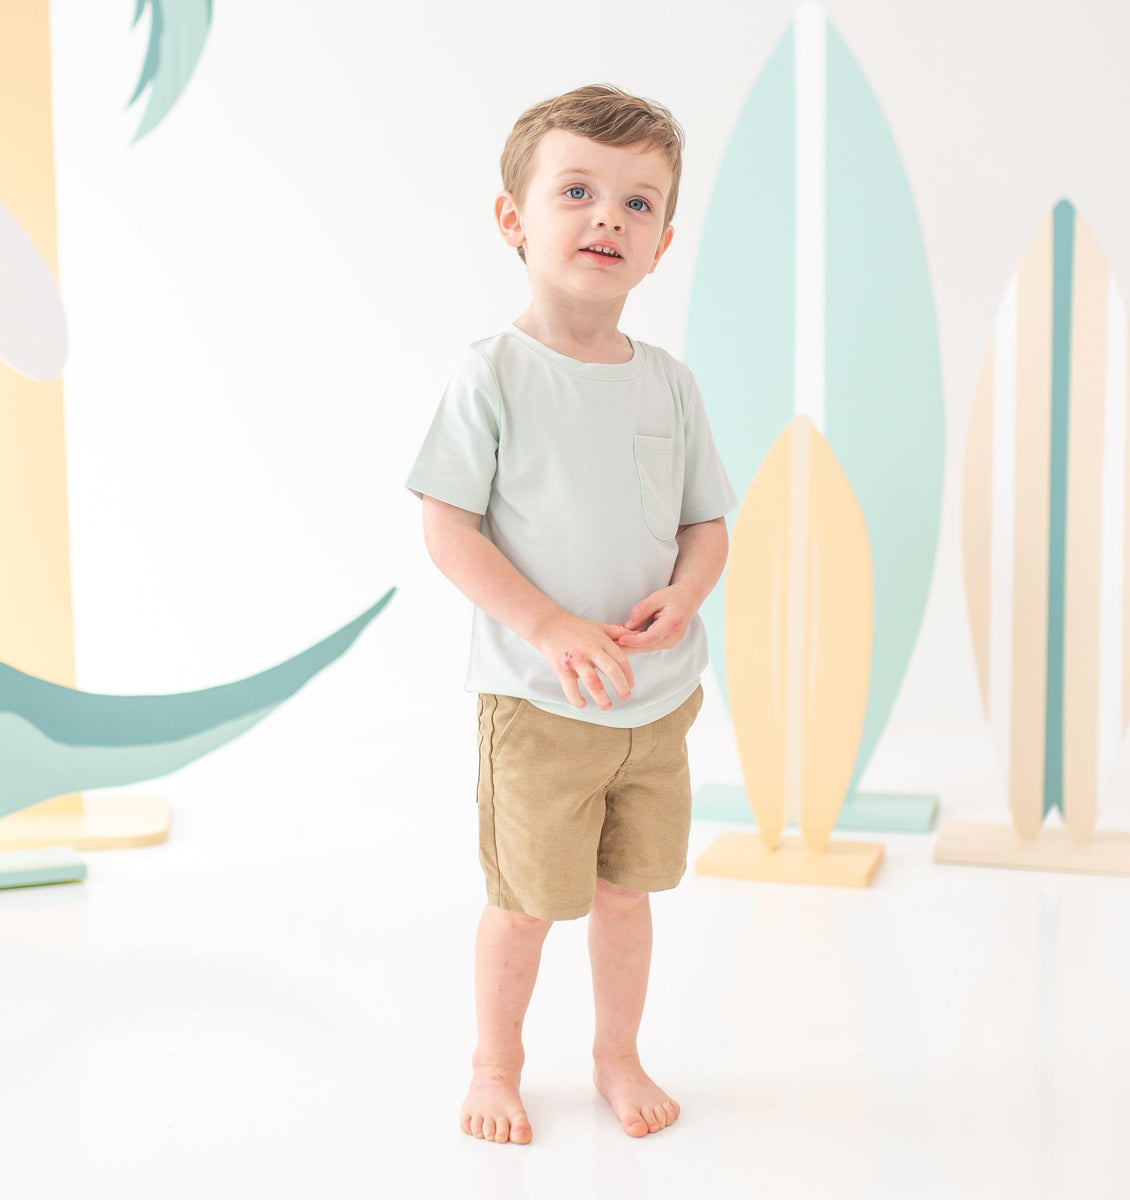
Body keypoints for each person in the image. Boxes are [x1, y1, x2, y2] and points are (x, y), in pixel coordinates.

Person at [406, 83, 737, 1145]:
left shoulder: (670, 386)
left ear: (662, 245)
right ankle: (495, 1063)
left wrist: (687, 593)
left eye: (639, 204)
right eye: (579, 191)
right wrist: (551, 628)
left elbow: (705, 525)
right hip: (539, 707)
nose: (610, 218)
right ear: (515, 219)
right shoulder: (492, 374)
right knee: (526, 902)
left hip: (655, 707)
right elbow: (449, 529)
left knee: (628, 896)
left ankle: (616, 1054)